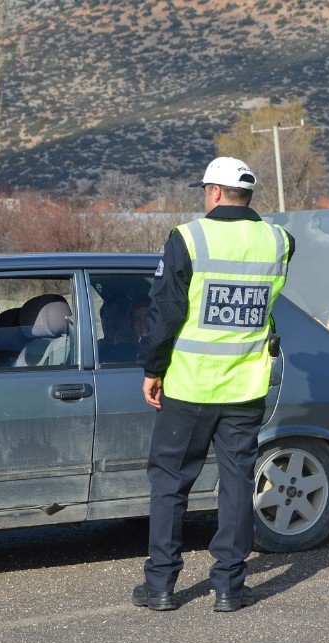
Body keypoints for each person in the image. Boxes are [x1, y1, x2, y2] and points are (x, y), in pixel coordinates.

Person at [132, 157, 293, 613]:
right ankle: (229, 587)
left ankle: (161, 586)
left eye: (205, 189)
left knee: (169, 483)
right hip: (245, 387)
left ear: (216, 192)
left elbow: (165, 315)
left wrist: (152, 369)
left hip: (190, 386)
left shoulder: (188, 238)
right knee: (237, 483)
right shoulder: (279, 240)